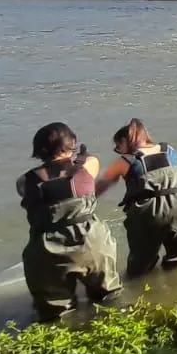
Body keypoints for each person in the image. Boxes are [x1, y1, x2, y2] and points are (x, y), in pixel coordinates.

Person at [18, 122, 121, 321]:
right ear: (71, 143)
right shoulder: (87, 167)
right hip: (91, 242)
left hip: (47, 249)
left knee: (55, 314)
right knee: (109, 298)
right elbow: (92, 162)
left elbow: (31, 190)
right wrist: (78, 158)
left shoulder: (24, 181)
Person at [96, 118, 177, 278]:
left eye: (118, 147)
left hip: (150, 214)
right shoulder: (169, 150)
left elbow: (100, 185)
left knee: (140, 268)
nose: (119, 151)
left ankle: (141, 292)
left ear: (125, 141)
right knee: (176, 260)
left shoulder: (125, 161)